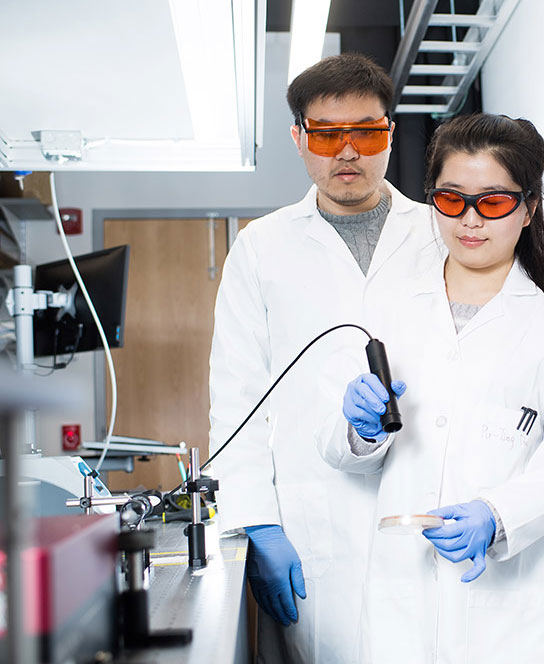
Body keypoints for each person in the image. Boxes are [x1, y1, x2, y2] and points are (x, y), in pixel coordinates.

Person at [317, 113, 544, 663]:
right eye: (452, 200)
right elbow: (344, 452)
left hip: (520, 617)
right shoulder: (389, 306)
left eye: (495, 201)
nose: (471, 220)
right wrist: (359, 431)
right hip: (402, 608)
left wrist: (498, 514)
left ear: (529, 209)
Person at [208, 53, 438, 663]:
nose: (347, 151)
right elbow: (237, 395)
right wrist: (257, 522)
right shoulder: (260, 248)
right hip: (311, 523)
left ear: (389, 133)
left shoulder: (440, 233)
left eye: (365, 132)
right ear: (298, 138)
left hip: (423, 509)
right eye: (327, 134)